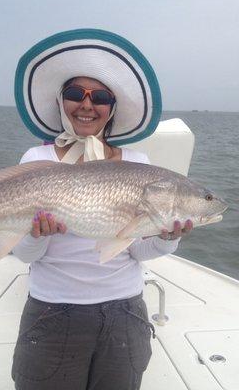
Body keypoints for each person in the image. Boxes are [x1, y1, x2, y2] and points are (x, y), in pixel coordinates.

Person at [11, 29, 193, 390]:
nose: (87, 105)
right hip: (53, 310)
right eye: (76, 94)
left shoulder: (137, 163)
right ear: (62, 102)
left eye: (101, 97)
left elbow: (136, 249)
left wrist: (166, 237)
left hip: (124, 310)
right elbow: (23, 254)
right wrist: (35, 235)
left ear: (112, 108)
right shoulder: (38, 159)